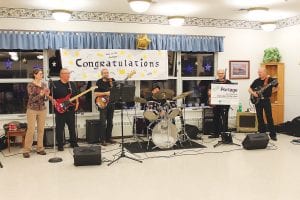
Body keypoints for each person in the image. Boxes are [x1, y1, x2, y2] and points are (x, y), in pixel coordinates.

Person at [49, 68, 79, 151]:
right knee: (59, 128)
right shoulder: (54, 84)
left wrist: (77, 103)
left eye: (69, 73)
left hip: (70, 109)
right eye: (67, 73)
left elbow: (76, 95)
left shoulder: (72, 84)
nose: (68, 75)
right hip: (60, 109)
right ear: (61, 74)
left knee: (72, 127)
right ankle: (60, 145)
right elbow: (49, 95)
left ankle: (74, 143)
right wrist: (53, 100)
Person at [23, 69, 49, 158]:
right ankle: (26, 150)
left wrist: (46, 95)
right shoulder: (30, 85)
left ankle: (40, 148)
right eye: (40, 73)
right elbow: (31, 99)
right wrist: (41, 94)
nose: (42, 75)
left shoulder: (44, 85)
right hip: (32, 109)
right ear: (35, 75)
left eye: (42, 74)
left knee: (41, 129)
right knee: (31, 129)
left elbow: (45, 99)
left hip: (42, 109)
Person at [248, 67, 278, 141]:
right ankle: (262, 133)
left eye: (260, 72)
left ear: (265, 72)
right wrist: (253, 93)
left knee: (269, 117)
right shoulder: (256, 80)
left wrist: (270, 92)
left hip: (266, 100)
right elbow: (249, 89)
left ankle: (272, 134)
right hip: (258, 101)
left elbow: (277, 87)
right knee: (259, 117)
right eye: (258, 72)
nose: (259, 73)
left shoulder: (271, 80)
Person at [95, 68, 116, 146]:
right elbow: (96, 94)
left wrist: (112, 86)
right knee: (103, 123)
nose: (106, 74)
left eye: (107, 72)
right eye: (104, 73)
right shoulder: (99, 82)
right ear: (102, 74)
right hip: (102, 104)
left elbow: (115, 90)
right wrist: (106, 93)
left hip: (111, 103)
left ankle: (109, 138)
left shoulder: (112, 80)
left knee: (110, 122)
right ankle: (102, 139)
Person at [208, 69, 231, 138]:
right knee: (216, 118)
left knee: (225, 119)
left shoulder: (228, 82)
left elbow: (231, 91)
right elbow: (209, 91)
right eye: (219, 73)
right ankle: (216, 134)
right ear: (217, 74)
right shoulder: (214, 82)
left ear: (224, 74)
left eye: (222, 73)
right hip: (216, 103)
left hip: (225, 104)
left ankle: (225, 134)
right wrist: (210, 95)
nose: (221, 74)